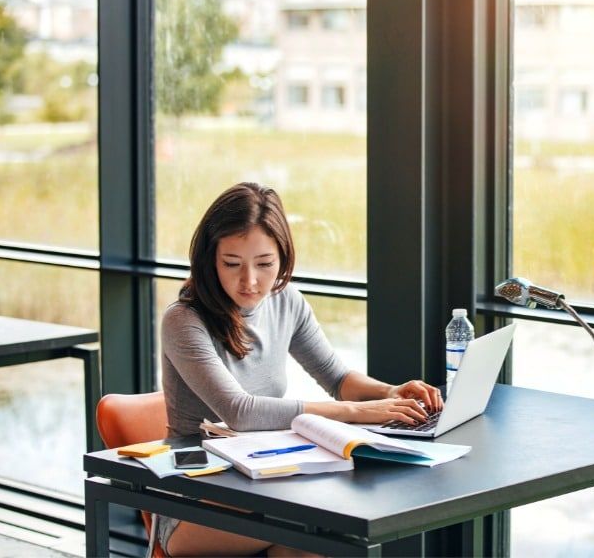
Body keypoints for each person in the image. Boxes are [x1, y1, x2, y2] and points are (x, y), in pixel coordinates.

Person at [158, 182, 443, 557]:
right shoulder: (183, 320)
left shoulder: (285, 301)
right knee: (331, 525)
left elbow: (337, 378)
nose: (250, 281)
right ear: (209, 260)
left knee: (321, 543)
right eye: (232, 264)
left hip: (267, 480)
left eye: (264, 264)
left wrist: (388, 392)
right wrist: (357, 412)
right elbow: (240, 412)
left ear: (283, 257)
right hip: (196, 501)